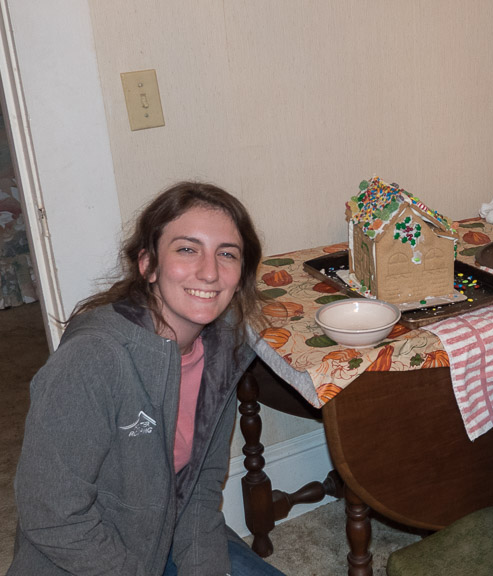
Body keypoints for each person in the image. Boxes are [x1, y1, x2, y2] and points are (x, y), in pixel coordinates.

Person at [8, 182, 285, 576]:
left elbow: (200, 488)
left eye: (227, 254)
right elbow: (51, 515)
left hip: (166, 534)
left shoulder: (224, 350)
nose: (209, 272)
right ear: (148, 265)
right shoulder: (92, 359)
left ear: (241, 276)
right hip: (81, 559)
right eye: (187, 249)